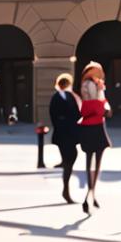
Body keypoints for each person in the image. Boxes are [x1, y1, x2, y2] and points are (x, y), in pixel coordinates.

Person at [77, 61, 111, 214]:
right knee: (92, 162)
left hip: (95, 125)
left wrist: (101, 91)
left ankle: (91, 193)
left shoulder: (96, 84)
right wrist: (99, 91)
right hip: (93, 124)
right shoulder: (88, 84)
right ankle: (90, 194)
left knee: (94, 162)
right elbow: (94, 102)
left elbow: (102, 102)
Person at [49, 72, 81, 203]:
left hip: (71, 133)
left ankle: (66, 187)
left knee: (72, 156)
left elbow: (77, 113)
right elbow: (53, 115)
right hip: (63, 134)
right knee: (69, 158)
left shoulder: (69, 96)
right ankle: (66, 190)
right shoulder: (56, 97)